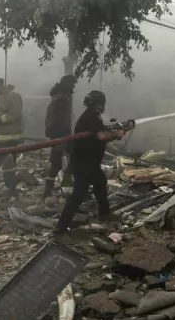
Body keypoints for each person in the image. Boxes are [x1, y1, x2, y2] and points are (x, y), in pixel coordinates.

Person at [55, 90, 133, 235]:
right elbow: (102, 135)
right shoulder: (91, 117)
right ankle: (60, 229)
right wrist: (117, 134)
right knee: (78, 195)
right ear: (100, 104)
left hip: (90, 163)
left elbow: (102, 130)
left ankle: (104, 213)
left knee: (100, 183)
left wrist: (119, 127)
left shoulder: (91, 116)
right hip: (84, 164)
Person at [43, 75, 76, 200]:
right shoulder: (62, 98)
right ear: (67, 85)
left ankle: (50, 188)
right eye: (72, 84)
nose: (74, 87)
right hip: (60, 134)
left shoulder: (60, 96)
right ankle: (54, 188)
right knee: (62, 160)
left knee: (57, 162)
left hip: (58, 134)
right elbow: (59, 119)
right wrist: (64, 134)